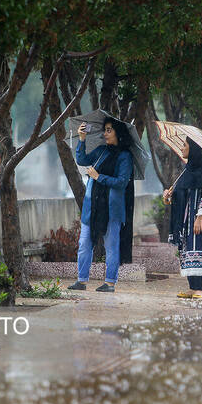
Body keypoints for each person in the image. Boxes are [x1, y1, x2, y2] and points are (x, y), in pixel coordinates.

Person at [67, 117, 134, 292]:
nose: (105, 133)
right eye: (104, 130)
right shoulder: (101, 151)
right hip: (92, 208)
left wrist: (98, 177)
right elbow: (82, 160)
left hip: (112, 209)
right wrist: (82, 139)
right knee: (84, 244)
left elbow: (121, 182)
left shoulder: (125, 157)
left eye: (109, 130)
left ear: (118, 133)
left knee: (111, 246)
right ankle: (81, 281)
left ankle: (110, 283)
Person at [163, 137, 202, 299]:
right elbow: (180, 195)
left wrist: (199, 217)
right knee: (187, 250)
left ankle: (200, 289)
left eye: (185, 145)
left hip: (198, 219)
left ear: (194, 149)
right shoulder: (187, 170)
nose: (183, 147)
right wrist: (168, 196)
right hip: (185, 220)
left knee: (197, 248)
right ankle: (192, 287)